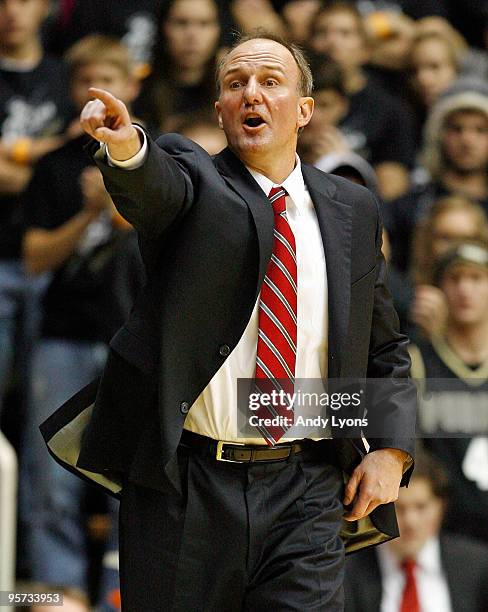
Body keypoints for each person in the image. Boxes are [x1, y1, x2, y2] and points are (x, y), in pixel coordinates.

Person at [42, 33, 416, 610]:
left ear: (305, 110)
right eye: (236, 83)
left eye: (271, 82)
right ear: (219, 110)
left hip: (308, 486)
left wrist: (391, 449)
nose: (252, 94)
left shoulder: (352, 207)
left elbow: (383, 345)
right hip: (187, 486)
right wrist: (126, 149)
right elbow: (153, 186)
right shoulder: (194, 179)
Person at [20, 35, 143, 612]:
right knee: (50, 477)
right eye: (87, 79)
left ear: (133, 85)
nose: (99, 91)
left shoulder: (154, 160)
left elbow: (166, 246)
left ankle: (124, 593)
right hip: (63, 333)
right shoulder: (53, 167)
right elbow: (34, 257)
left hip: (133, 338)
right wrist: (88, 212)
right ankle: (58, 591)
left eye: (111, 78)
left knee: (135, 476)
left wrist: (116, 210)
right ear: (73, 91)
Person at [344, 446, 488, 612]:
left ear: (440, 507)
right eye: (399, 508)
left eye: (421, 507)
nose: (411, 521)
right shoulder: (347, 572)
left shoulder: (477, 566)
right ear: (376, 509)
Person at [410, 240, 488, 544]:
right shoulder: (417, 360)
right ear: (439, 289)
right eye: (455, 279)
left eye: (476, 278)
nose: (465, 289)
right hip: (445, 534)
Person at [307, 1, 416, 201]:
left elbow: (392, 194)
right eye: (322, 32)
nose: (332, 42)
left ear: (365, 49)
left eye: (345, 33)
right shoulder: (290, 99)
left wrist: (345, 164)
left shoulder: (389, 110)